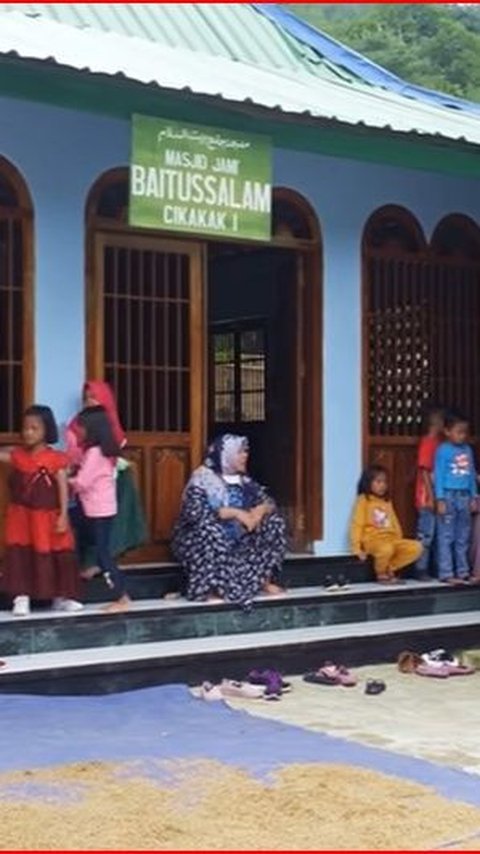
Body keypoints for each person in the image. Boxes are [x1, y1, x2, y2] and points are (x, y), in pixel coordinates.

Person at [171, 434, 287, 608]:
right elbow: (195, 514)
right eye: (239, 452)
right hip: (200, 538)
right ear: (225, 454)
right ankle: (209, 587)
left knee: (274, 524)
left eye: (245, 452)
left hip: (238, 536)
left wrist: (260, 511)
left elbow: (269, 502)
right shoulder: (202, 479)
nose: (244, 456)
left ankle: (263, 579)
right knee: (210, 531)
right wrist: (235, 513)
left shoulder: (245, 481)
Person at [0, 405, 82, 616]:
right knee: (21, 555)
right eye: (25, 428)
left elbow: (63, 488)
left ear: (47, 430)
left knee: (55, 554)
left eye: (34, 428)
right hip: (22, 518)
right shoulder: (17, 456)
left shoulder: (56, 459)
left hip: (48, 518)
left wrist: (63, 514)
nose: (28, 432)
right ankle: (21, 597)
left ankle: (60, 597)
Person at [66, 380, 146, 576]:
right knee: (85, 525)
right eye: (86, 398)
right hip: (85, 480)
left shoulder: (109, 424)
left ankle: (105, 570)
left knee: (101, 528)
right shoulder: (77, 423)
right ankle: (89, 565)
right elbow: (73, 452)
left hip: (102, 483)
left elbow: (112, 452)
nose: (90, 402)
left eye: (94, 397)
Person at [69, 406, 130, 612]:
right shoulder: (101, 452)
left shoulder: (95, 453)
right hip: (99, 508)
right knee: (87, 540)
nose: (78, 432)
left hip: (97, 510)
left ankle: (121, 596)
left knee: (103, 553)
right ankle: (89, 568)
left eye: (81, 428)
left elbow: (83, 482)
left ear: (92, 429)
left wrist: (62, 479)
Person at [350, 465, 422, 584]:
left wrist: (398, 540)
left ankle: (390, 568)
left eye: (384, 482)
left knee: (416, 547)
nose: (382, 485)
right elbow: (357, 524)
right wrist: (356, 548)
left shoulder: (386, 501)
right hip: (373, 540)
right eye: (378, 482)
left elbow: (394, 521)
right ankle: (381, 573)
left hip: (391, 539)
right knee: (386, 549)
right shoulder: (363, 500)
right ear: (368, 483)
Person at [434, 410, 477, 585]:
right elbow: (439, 475)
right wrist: (440, 498)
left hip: (464, 496)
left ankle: (463, 570)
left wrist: (473, 496)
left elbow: (471, 474)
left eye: (464, 432)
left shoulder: (467, 449)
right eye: (458, 432)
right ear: (447, 431)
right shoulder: (443, 450)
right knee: (446, 536)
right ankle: (446, 572)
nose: (462, 436)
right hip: (449, 495)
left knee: (463, 536)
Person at [414, 405, 444, 580]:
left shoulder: (440, 444)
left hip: (436, 494)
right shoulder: (428, 443)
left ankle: (434, 567)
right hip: (426, 497)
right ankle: (420, 568)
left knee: (437, 533)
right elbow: (424, 471)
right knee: (426, 533)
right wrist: (432, 497)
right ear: (435, 423)